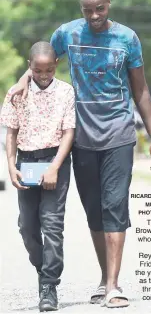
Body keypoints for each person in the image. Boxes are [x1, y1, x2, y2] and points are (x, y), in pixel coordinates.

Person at [10, 0, 151, 309]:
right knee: (94, 210)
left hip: (119, 135)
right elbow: (41, 60)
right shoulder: (68, 34)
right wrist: (24, 80)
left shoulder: (127, 39)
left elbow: (142, 90)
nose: (94, 16)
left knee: (115, 207)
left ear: (109, 3)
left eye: (100, 9)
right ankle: (103, 278)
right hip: (81, 138)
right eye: (88, 10)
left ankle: (113, 285)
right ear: (81, 8)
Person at [0, 41, 75, 312]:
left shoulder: (66, 92)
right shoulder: (16, 93)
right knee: (27, 227)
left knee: (52, 225)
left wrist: (55, 166)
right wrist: (11, 164)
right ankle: (43, 269)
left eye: (49, 70)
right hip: (27, 161)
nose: (44, 76)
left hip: (55, 159)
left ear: (56, 66)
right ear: (29, 68)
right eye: (38, 71)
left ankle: (49, 287)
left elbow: (69, 132)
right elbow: (10, 132)